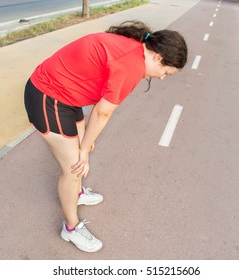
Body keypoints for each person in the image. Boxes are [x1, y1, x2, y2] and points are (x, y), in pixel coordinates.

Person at [24, 20, 188, 253]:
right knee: (74, 167)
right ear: (158, 57)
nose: (162, 78)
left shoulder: (135, 46)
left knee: (84, 149)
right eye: (166, 72)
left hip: (67, 94)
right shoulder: (132, 65)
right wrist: (84, 149)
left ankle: (77, 193)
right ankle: (70, 228)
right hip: (48, 96)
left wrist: (86, 145)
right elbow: (103, 112)